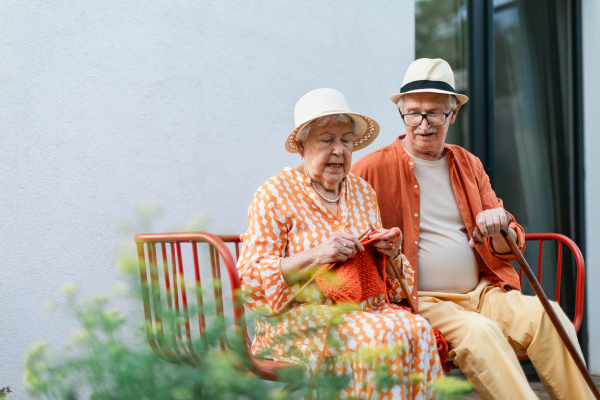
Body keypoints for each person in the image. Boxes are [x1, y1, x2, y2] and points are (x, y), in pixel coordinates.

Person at [351, 58, 593, 399]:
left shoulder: (468, 163)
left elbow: (510, 245)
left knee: (548, 314)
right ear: (402, 114)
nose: (423, 124)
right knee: (480, 333)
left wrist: (499, 227)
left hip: (484, 292)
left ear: (453, 115)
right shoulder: (371, 168)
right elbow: (353, 239)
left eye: (435, 113)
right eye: (414, 113)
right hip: (422, 301)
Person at [237, 88, 443, 399]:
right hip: (298, 318)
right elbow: (249, 281)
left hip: (366, 309)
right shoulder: (274, 194)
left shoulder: (361, 191)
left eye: (346, 140)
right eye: (327, 139)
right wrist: (316, 255)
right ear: (302, 144)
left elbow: (392, 285)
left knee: (418, 330)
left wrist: (390, 254)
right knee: (374, 336)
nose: (339, 150)